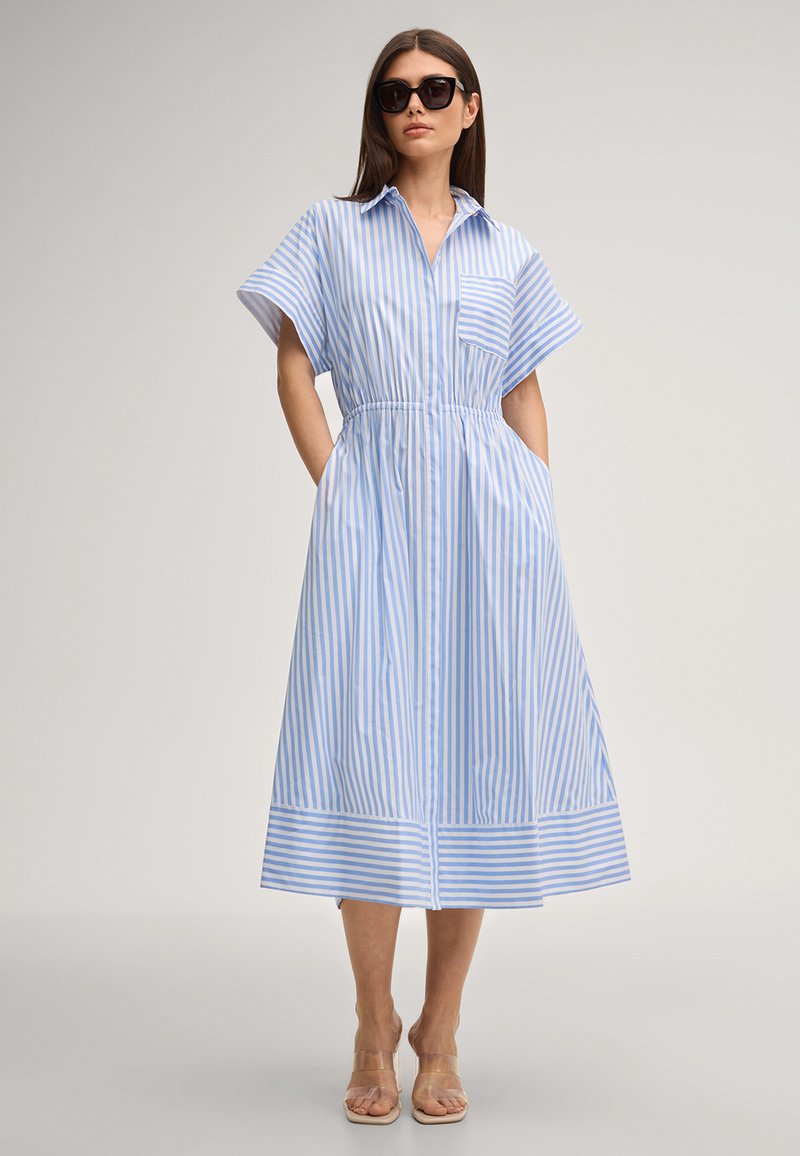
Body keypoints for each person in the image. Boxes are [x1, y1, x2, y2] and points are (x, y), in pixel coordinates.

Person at [235, 27, 632, 1126]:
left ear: (469, 107)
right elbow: (292, 361)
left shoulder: (508, 251)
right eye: (394, 91)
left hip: (488, 530)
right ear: (379, 112)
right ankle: (373, 1023)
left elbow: (522, 388)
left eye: (436, 88)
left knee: (472, 765)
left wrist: (535, 510)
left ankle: (440, 1028)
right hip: (370, 521)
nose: (414, 104)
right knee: (370, 764)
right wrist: (335, 483)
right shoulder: (330, 231)